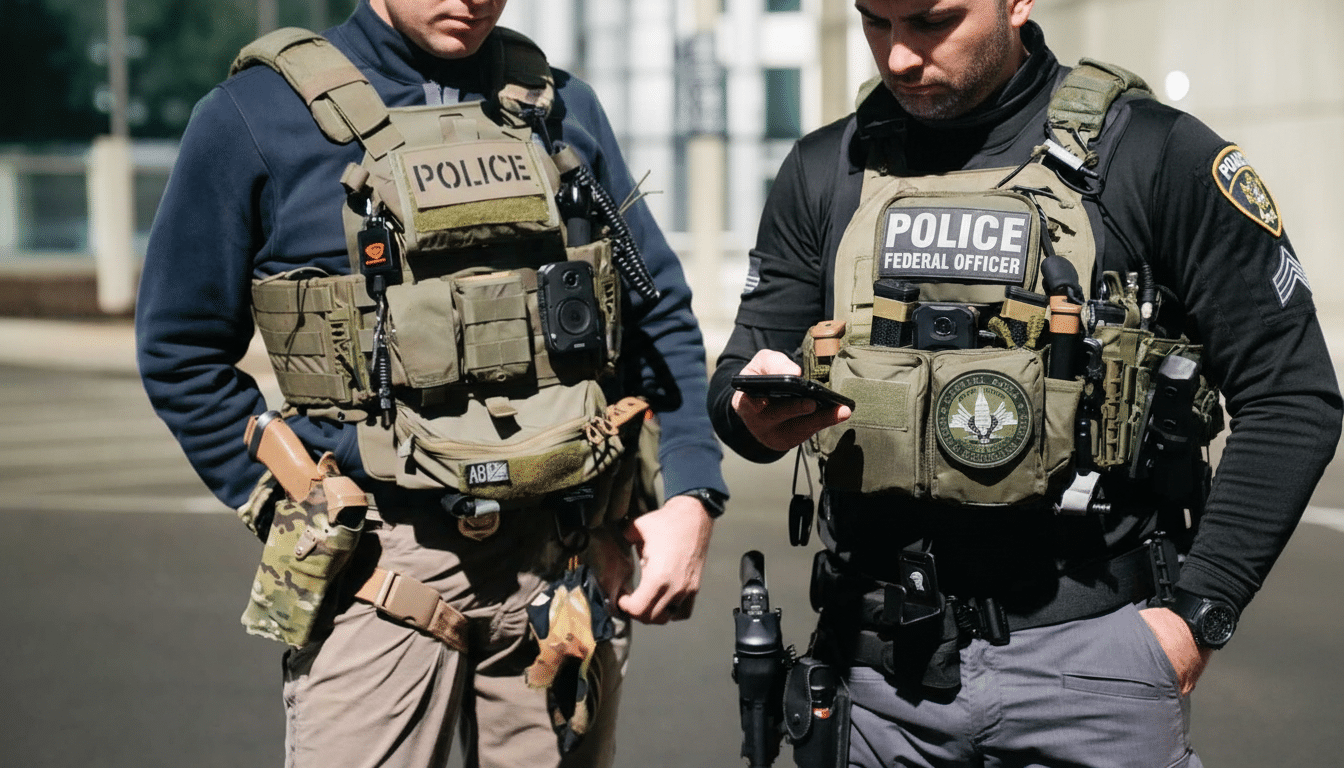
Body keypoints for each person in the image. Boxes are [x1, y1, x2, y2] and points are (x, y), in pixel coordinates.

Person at [710, 1, 1341, 766]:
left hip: (1095, 671)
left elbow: (1291, 393)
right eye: (875, 22)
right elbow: (744, 370)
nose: (900, 56)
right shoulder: (826, 169)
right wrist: (748, 408)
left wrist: (1194, 619)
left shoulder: (1152, 153)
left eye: (931, 20)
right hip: (878, 683)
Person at [136, 1, 728, 767]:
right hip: (381, 569)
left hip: (557, 563)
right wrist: (299, 504)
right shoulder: (256, 115)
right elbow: (181, 350)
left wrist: (688, 492)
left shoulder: (561, 109)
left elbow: (657, 317)